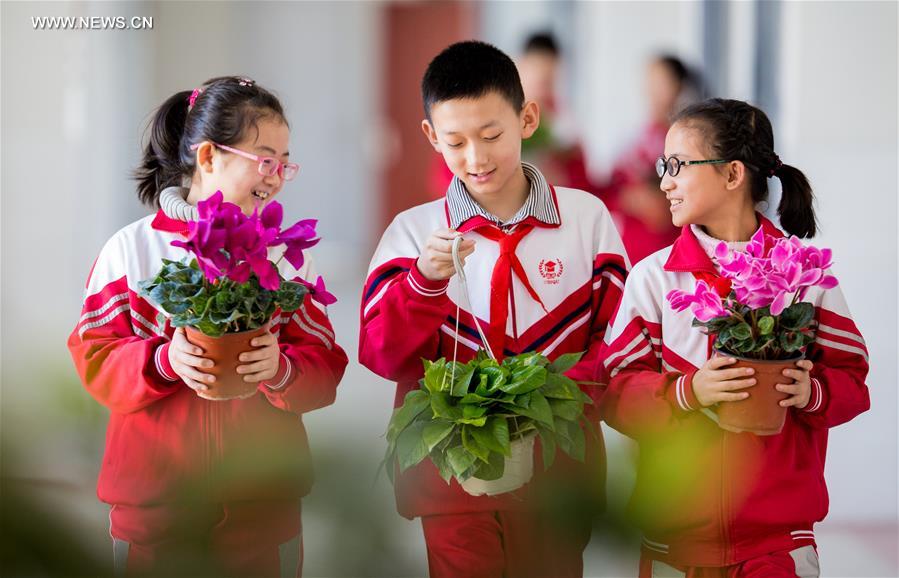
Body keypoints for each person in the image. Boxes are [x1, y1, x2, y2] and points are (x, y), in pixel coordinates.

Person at [359, 41, 629, 578]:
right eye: (455, 142)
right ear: (431, 136)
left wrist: (550, 401)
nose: (476, 159)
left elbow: (617, 343)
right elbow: (381, 354)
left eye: (492, 135)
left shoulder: (586, 220)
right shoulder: (413, 233)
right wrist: (423, 282)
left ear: (528, 118)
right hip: (449, 480)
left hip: (558, 474)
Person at [67, 76, 348, 577]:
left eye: (285, 162)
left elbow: (326, 365)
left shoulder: (283, 258)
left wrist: (281, 369)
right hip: (157, 512)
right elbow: (94, 356)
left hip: (263, 509)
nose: (277, 176)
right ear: (208, 157)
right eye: (265, 158)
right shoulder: (133, 250)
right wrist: (162, 361)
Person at [600, 98, 870, 578]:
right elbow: (616, 392)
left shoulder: (804, 276)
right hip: (672, 542)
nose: (664, 181)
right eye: (664, 166)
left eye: (678, 165)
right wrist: (687, 392)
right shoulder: (654, 279)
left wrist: (812, 393)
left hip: (778, 546)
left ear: (732, 175)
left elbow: (852, 380)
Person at [601, 54, 701, 264]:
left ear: (679, 88)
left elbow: (669, 203)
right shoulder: (638, 134)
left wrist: (641, 198)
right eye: (649, 81)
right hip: (626, 239)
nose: (652, 90)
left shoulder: (685, 140)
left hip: (656, 243)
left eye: (661, 83)